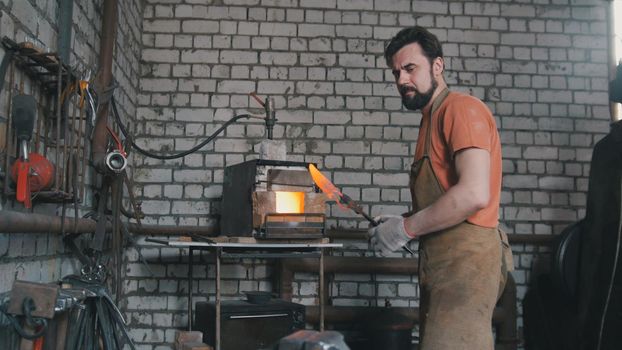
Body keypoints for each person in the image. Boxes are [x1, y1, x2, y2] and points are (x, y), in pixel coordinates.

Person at [368, 26, 512, 350]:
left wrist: (404, 229)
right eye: (396, 73)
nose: (401, 80)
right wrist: (400, 220)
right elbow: (447, 193)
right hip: (441, 265)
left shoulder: (460, 109)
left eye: (410, 68)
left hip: (467, 265)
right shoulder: (429, 120)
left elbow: (474, 194)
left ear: (437, 66)